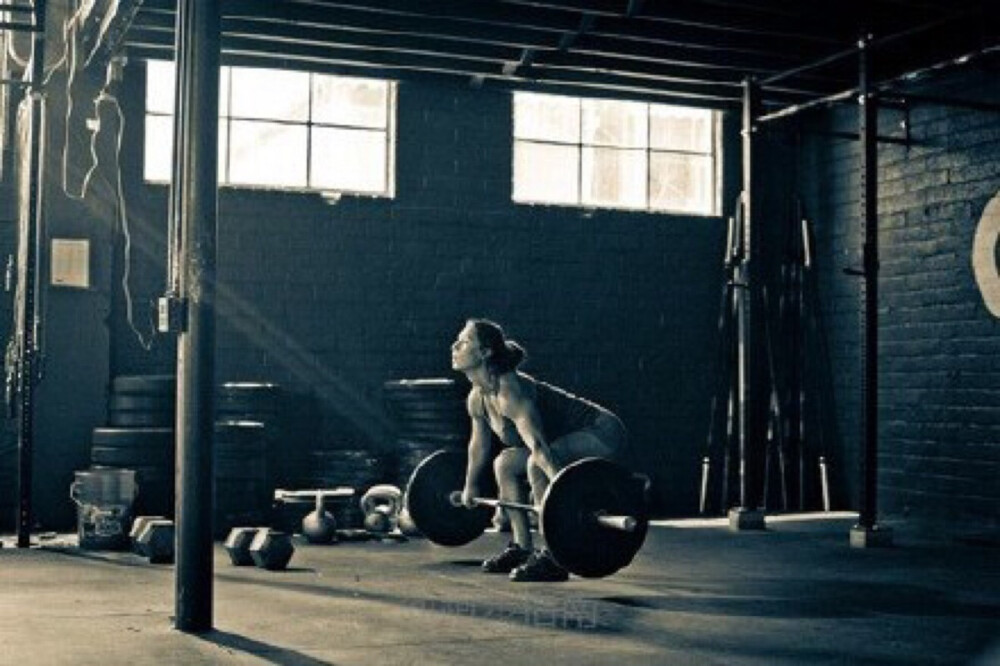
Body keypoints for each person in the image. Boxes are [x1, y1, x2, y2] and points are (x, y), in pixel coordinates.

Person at [450, 318, 628, 582]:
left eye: (463, 342)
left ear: (485, 352)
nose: (454, 346)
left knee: (535, 464)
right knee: (505, 464)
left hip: (601, 432)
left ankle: (555, 556)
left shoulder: (510, 391)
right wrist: (470, 486)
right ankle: (522, 547)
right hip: (563, 440)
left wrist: (567, 496)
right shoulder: (478, 397)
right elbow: (479, 445)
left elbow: (540, 448)